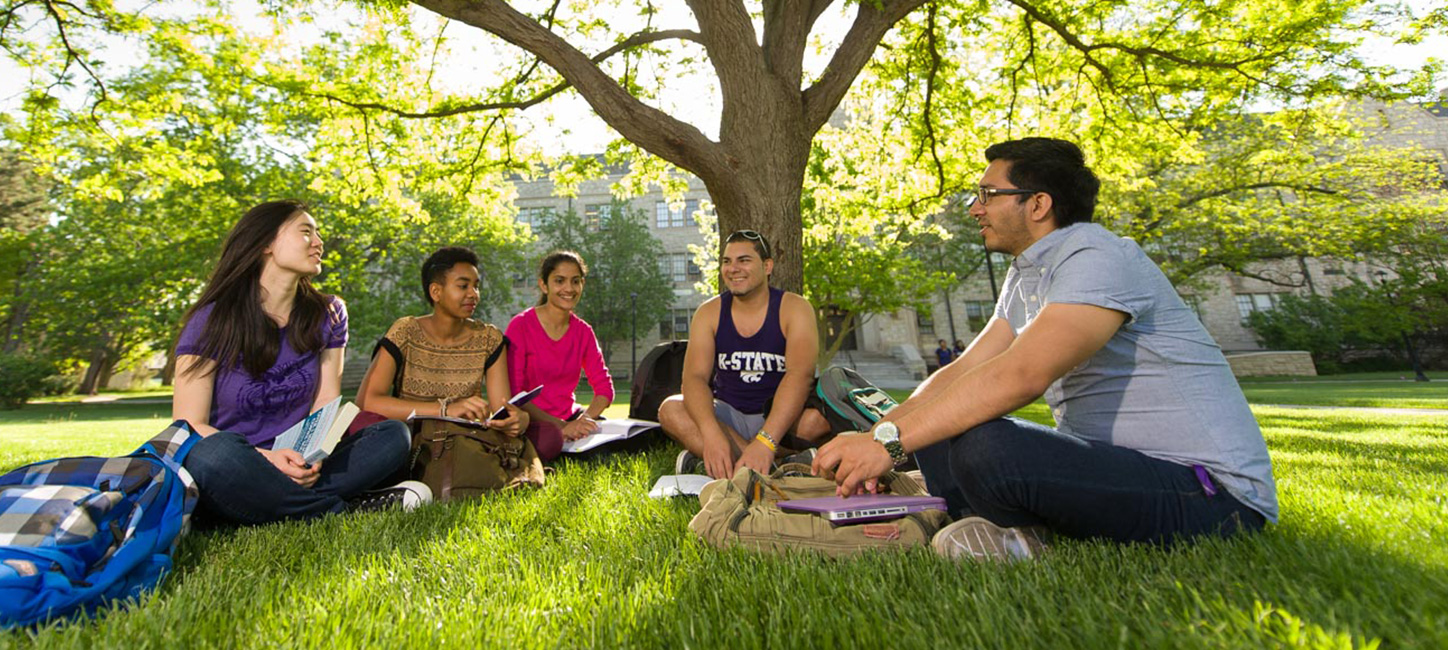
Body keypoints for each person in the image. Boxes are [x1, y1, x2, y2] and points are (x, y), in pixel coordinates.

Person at [814, 137, 1278, 560]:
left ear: (1037, 204)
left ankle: (1014, 536)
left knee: (988, 445)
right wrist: (877, 434)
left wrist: (888, 447)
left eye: (987, 195)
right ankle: (961, 514)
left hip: (1213, 497)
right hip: (1118, 471)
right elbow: (964, 370)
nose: (975, 209)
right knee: (949, 417)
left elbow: (1020, 376)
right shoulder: (1026, 275)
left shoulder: (1097, 257)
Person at [174, 200, 428, 526]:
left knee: (393, 436)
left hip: (301, 459)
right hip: (238, 462)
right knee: (211, 455)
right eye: (306, 232)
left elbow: (325, 401)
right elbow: (189, 423)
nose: (319, 242)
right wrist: (269, 460)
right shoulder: (211, 319)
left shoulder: (330, 313)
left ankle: (265, 507)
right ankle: (342, 510)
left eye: (318, 233)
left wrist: (309, 459)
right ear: (264, 243)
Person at [658, 229, 832, 479]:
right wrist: (711, 433)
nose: (733, 268)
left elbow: (800, 376)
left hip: (780, 417)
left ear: (767, 266)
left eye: (744, 260)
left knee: (818, 420)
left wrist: (766, 440)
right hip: (729, 417)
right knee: (671, 409)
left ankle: (728, 463)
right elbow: (694, 378)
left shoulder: (795, 308)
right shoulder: (709, 312)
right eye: (727, 261)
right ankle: (775, 467)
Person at [356, 246, 528, 485]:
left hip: (464, 437)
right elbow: (368, 402)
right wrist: (447, 409)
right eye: (463, 285)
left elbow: (501, 408)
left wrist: (517, 419)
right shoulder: (405, 331)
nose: (474, 294)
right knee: (364, 426)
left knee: (545, 436)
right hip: (410, 437)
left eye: (476, 285)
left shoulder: (489, 338)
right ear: (436, 291)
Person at [505, 251, 615, 461]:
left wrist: (584, 421)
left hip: (571, 417)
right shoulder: (520, 326)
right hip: (533, 422)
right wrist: (562, 427)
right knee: (551, 439)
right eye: (559, 281)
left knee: (608, 437)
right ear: (544, 285)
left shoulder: (583, 331)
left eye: (575, 281)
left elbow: (604, 389)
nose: (569, 289)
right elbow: (516, 395)